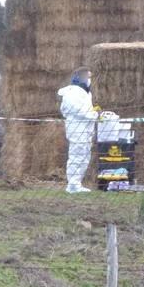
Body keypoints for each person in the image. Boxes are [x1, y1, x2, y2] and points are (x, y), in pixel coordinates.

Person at [58, 66, 98, 194]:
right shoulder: (72, 92)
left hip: (86, 129)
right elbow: (78, 110)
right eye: (89, 77)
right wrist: (94, 114)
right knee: (76, 155)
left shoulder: (86, 92)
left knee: (85, 156)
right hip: (77, 128)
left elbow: (87, 110)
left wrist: (94, 113)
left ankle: (77, 183)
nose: (90, 80)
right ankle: (73, 185)